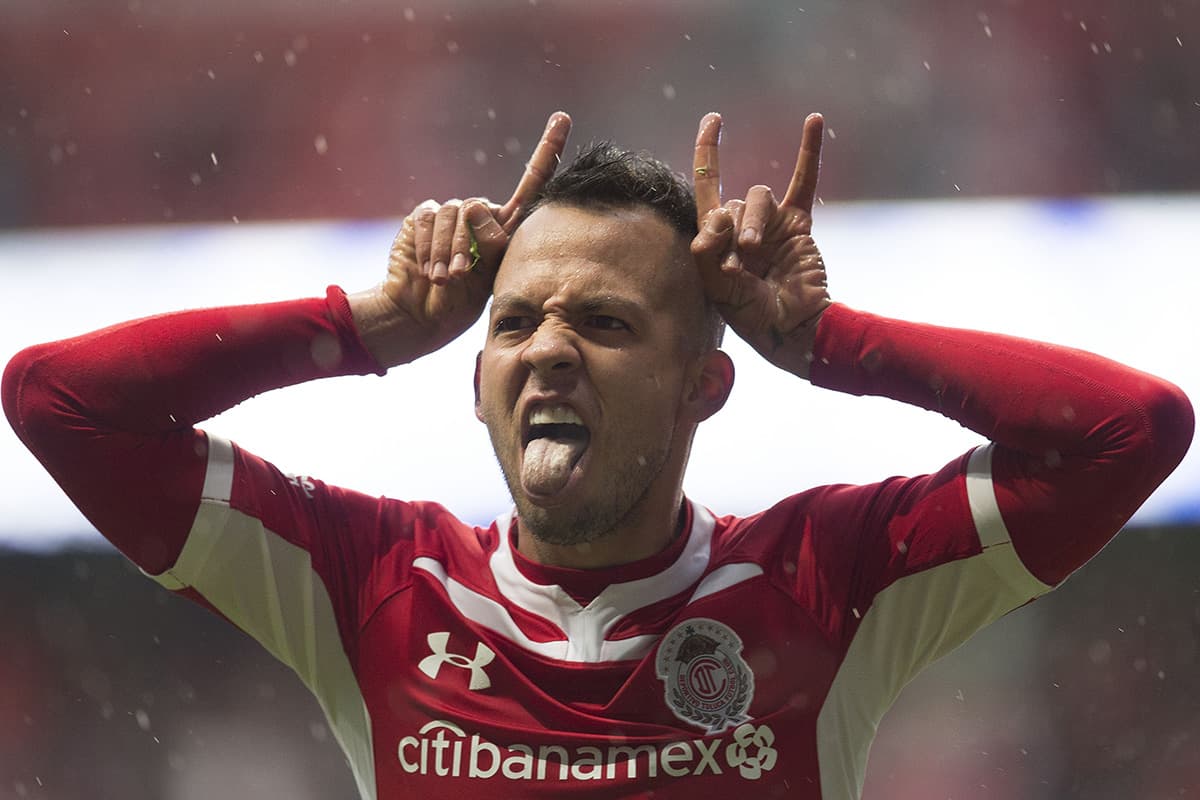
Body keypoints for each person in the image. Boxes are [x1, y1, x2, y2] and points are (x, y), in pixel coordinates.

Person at [3, 109, 1193, 800]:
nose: (548, 351)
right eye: (514, 323)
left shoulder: (834, 579)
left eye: (607, 323)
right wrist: (364, 326)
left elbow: (1131, 428)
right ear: (477, 384)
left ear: (705, 387)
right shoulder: (367, 575)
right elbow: (54, 398)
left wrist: (832, 342)